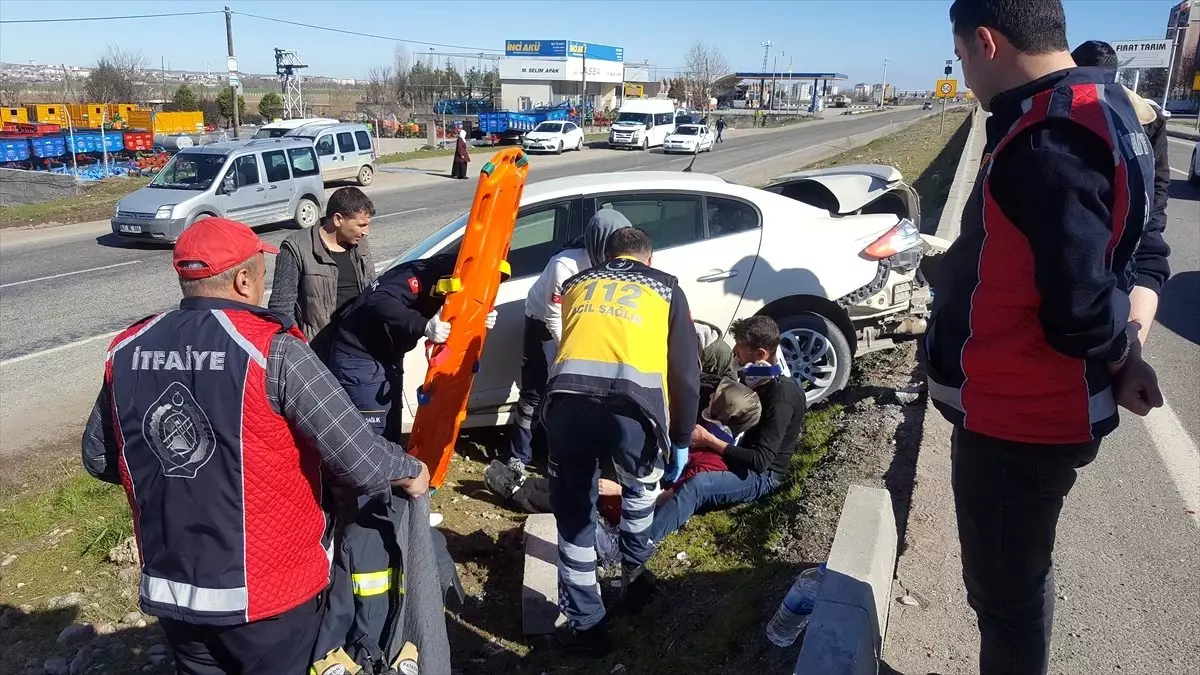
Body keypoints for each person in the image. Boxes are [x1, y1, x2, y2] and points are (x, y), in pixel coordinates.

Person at [81, 217, 431, 674]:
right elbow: (359, 458)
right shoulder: (273, 350)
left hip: (173, 588)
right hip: (270, 594)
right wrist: (409, 469)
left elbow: (100, 457)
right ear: (244, 279)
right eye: (260, 274)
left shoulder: (128, 347)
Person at [927, 2, 1162, 674]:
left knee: (1008, 597)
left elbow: (1081, 307)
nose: (964, 73)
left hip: (1020, 423)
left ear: (985, 40)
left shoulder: (1046, 140)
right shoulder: (1105, 107)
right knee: (1018, 581)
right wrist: (1130, 351)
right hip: (1029, 411)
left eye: (963, 56)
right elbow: (1126, 251)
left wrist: (1121, 352)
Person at [543, 227, 700, 655]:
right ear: (648, 259)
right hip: (633, 411)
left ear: (604, 258)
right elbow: (685, 371)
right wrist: (682, 436)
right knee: (639, 492)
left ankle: (586, 626)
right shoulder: (665, 288)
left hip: (568, 406)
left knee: (574, 517)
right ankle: (634, 577)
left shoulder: (577, 284)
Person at [648, 316, 805, 543]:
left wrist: (709, 440)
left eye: (740, 347)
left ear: (760, 354)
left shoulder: (780, 398)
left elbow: (760, 462)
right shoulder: (762, 380)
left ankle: (640, 545)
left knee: (697, 486)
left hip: (761, 476)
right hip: (738, 453)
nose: (734, 352)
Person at [505, 209, 632, 475]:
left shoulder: (615, 263)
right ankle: (519, 456)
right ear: (599, 243)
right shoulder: (565, 265)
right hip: (544, 325)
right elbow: (553, 316)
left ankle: (557, 455)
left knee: (568, 396)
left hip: (583, 321)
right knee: (535, 392)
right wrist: (569, 355)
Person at [327, 251, 496, 440]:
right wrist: (423, 326)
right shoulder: (431, 274)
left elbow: (453, 314)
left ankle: (393, 465)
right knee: (372, 439)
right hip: (361, 356)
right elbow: (379, 299)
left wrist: (480, 316)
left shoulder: (470, 282)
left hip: (389, 356)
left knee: (390, 429)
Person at [1070, 40, 1172, 346]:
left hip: (1093, 246)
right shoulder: (1146, 115)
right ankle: (1127, 349)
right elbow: (1159, 184)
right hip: (1132, 235)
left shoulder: (1068, 110)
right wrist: (1150, 223)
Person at [268, 186, 377, 355]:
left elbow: (371, 290)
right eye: (361, 225)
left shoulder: (359, 244)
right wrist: (300, 351)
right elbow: (281, 310)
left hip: (360, 349)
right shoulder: (296, 247)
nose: (366, 232)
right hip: (321, 353)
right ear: (338, 219)